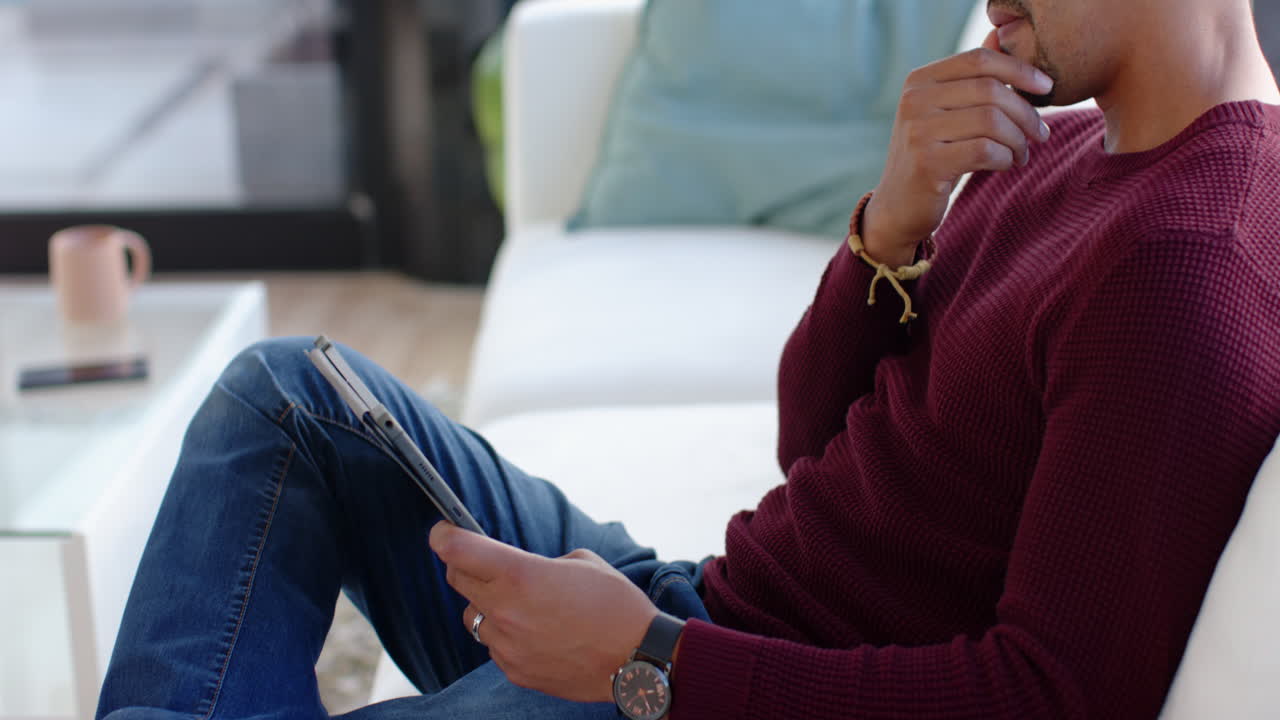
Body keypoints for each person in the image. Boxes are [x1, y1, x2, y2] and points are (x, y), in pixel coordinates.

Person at [98, 0, 1280, 718]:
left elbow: (1052, 698)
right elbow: (812, 446)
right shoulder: (1060, 146)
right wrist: (891, 223)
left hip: (711, 685)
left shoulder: (1179, 263)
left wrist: (644, 664)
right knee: (290, 397)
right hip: (707, 608)